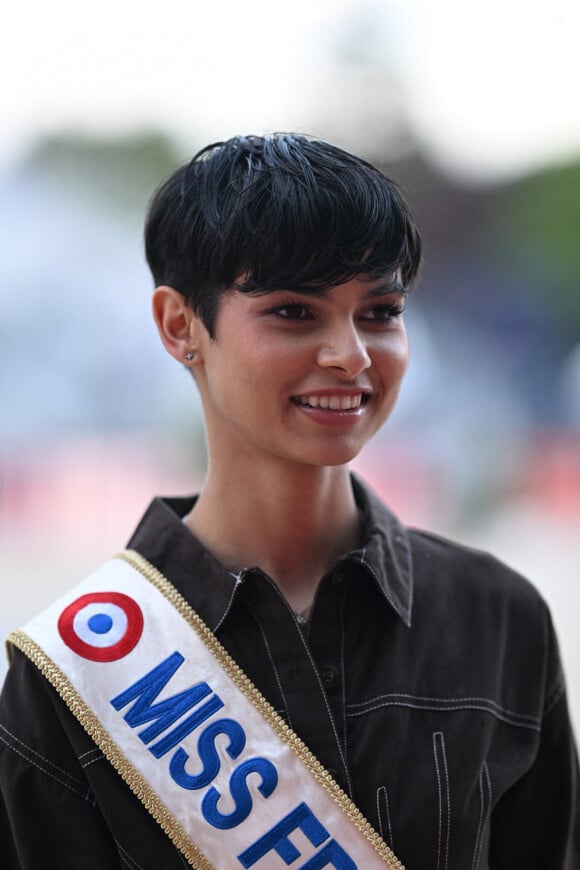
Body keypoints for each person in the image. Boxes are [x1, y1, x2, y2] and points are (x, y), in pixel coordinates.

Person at [0, 133, 578, 869]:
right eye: (295, 313)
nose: (351, 354)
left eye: (380, 311)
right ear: (181, 326)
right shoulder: (75, 674)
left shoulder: (497, 617)